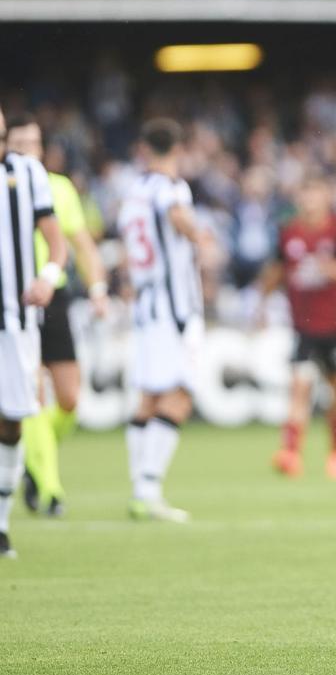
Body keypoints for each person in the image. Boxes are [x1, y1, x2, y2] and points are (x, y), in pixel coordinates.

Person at [4, 115, 109, 518]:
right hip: (14, 301)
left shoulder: (58, 187)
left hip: (56, 295)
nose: (30, 148)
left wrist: (97, 289)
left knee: (68, 400)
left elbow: (80, 243)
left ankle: (33, 461)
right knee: (30, 395)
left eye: (35, 142)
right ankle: (48, 488)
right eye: (20, 142)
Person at [117, 119, 204, 522]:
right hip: (174, 308)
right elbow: (178, 219)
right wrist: (201, 236)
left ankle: (140, 488)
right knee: (180, 394)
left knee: (149, 397)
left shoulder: (133, 191)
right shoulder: (170, 188)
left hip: (145, 304)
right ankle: (147, 489)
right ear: (177, 148)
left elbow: (126, 247)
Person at [257, 175, 336, 480]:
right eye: (305, 194)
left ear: (325, 196)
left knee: (335, 391)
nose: (309, 200)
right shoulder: (288, 233)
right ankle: (290, 453)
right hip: (303, 325)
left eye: (314, 193)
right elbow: (275, 272)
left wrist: (331, 269)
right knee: (299, 386)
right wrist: (262, 302)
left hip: (333, 324)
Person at [0, 106, 67, 558]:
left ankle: (1, 525)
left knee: (11, 421)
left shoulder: (27, 173)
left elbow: (56, 241)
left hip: (15, 321)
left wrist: (46, 275)